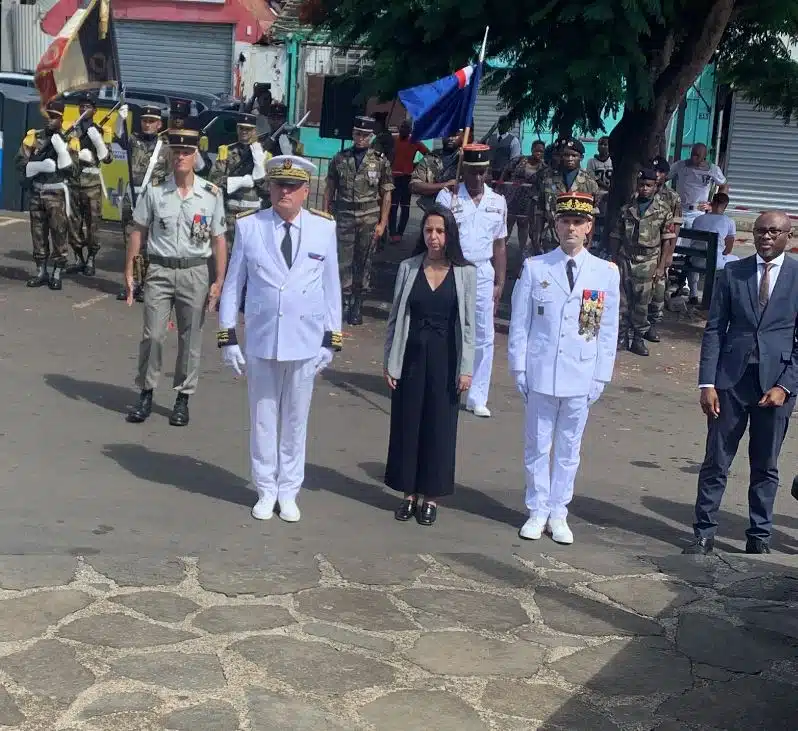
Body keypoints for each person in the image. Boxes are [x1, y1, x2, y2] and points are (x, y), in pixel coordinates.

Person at [218, 155, 342, 523]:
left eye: (292, 186)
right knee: (263, 416)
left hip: (304, 338)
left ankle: (289, 490)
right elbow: (233, 284)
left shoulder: (323, 229)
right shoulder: (250, 226)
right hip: (262, 336)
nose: (284, 192)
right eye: (278, 185)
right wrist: (228, 337)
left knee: (296, 418)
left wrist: (330, 339)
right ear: (269, 187)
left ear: (306, 191)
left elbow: (331, 285)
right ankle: (265, 488)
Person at [509, 191, 620, 544]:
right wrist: (519, 367)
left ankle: (559, 512)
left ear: (589, 226)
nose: (571, 228)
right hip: (541, 370)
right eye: (565, 221)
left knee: (569, 448)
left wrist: (601, 374)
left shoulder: (604, 273)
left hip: (581, 373)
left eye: (578, 222)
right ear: (555, 225)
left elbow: (606, 328)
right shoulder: (535, 267)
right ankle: (537, 509)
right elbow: (520, 323)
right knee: (538, 445)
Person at [685, 211, 798, 556]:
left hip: (775, 386)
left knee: (765, 465)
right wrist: (707, 383)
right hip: (730, 382)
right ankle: (703, 532)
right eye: (761, 230)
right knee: (716, 461)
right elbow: (715, 330)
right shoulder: (733, 272)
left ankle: (759, 535)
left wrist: (786, 385)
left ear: (787, 237)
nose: (766, 236)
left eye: (774, 232)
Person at [124, 129, 227, 427]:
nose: (181, 156)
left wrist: (219, 281)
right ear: (170, 155)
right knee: (153, 335)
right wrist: (129, 269)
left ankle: (183, 397)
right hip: (159, 270)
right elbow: (138, 230)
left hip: (195, 271)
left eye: (187, 152)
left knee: (190, 338)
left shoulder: (210, 194)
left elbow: (219, 239)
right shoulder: (155, 191)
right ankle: (145, 392)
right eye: (176, 151)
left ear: (196, 156)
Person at [384, 204, 476, 526]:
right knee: (408, 423)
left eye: (439, 231)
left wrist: (467, 368)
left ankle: (430, 497)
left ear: (449, 234)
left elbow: (468, 326)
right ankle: (408, 493)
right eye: (428, 230)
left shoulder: (465, 272)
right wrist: (389, 363)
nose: (433, 237)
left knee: (439, 426)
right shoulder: (409, 267)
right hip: (411, 356)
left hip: (446, 358)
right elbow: (395, 319)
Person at [436, 143, 507, 418]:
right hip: (453, 267)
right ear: (463, 170)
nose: (477, 178)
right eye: (472, 172)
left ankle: (477, 396)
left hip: (482, 271)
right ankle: (446, 386)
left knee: (484, 335)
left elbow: (500, 244)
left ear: (487, 171)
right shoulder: (449, 198)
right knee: (447, 327)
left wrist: (500, 282)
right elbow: (437, 237)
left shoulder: (497, 202)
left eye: (482, 172)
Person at [324, 115, 394, 326]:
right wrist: (325, 214)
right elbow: (329, 189)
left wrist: (382, 223)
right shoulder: (339, 159)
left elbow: (387, 194)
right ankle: (343, 302)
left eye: (365, 135)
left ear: (371, 137)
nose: (360, 138)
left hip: (369, 217)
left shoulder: (380, 161)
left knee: (364, 262)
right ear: (353, 134)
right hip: (344, 215)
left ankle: (357, 303)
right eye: (357, 134)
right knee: (342, 262)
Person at [611, 168, 677, 356]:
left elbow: (667, 239)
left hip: (648, 260)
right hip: (626, 258)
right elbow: (616, 235)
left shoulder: (663, 210)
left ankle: (638, 339)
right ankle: (622, 336)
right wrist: (614, 259)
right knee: (622, 300)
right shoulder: (627, 209)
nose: (644, 188)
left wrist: (661, 265)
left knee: (642, 302)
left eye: (649, 185)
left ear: (656, 187)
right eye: (641, 185)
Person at [16, 99, 75, 291]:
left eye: (55, 118)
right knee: (38, 233)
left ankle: (57, 271)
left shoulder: (70, 139)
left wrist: (62, 152)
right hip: (37, 191)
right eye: (48, 117)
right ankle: (41, 270)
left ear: (61, 119)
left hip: (56, 193)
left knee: (59, 233)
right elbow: (20, 162)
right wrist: (37, 165)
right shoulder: (34, 137)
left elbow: (74, 171)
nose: (50, 121)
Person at [114, 103, 168, 302]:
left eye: (151, 121)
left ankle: (148, 285)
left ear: (159, 124)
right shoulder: (133, 140)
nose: (147, 125)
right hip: (132, 196)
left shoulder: (166, 147)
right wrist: (121, 119)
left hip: (154, 198)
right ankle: (131, 283)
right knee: (131, 243)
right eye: (145, 121)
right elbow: (118, 137)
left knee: (151, 244)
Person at [668, 143, 729, 303]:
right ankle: (675, 282)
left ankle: (690, 288)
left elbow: (723, 185)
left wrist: (713, 205)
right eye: (693, 154)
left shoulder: (712, 169)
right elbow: (664, 178)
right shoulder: (681, 165)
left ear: (704, 156)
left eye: (698, 155)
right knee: (675, 248)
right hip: (680, 210)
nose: (694, 158)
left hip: (698, 212)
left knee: (694, 250)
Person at [208, 112, 270, 254]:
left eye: (248, 129)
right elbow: (214, 179)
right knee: (228, 254)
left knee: (252, 253)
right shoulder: (226, 151)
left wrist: (259, 175)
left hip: (255, 213)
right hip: (231, 214)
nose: (244, 132)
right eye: (241, 128)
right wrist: (239, 181)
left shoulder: (264, 155)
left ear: (254, 131)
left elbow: (269, 188)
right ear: (237, 129)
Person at [65, 92, 112, 277]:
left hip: (92, 185)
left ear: (95, 110)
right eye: (81, 106)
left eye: (88, 106)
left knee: (93, 225)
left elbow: (108, 159)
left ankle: (91, 258)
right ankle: (78, 258)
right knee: (73, 224)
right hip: (74, 183)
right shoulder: (71, 129)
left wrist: (98, 142)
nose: (84, 109)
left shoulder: (101, 130)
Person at [531, 137, 601, 255]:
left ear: (581, 157)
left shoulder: (589, 183)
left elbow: (592, 215)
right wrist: (536, 236)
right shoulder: (548, 179)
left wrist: (589, 242)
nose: (570, 159)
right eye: (566, 155)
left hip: (577, 239)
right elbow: (540, 211)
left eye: (574, 156)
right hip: (552, 238)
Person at [646, 155, 683, 342]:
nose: (657, 175)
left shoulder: (672, 197)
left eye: (661, 172)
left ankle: (652, 324)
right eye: (655, 171)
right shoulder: (642, 191)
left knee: (658, 289)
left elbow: (675, 227)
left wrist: (669, 254)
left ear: (667, 175)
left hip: (662, 248)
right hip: (643, 249)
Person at [498, 139, 546, 252]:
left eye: (541, 152)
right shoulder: (520, 160)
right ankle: (501, 249)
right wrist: (500, 186)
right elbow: (506, 171)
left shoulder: (543, 167)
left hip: (528, 200)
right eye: (537, 150)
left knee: (523, 224)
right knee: (508, 222)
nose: (539, 153)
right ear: (532, 150)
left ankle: (522, 250)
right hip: (512, 196)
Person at [389, 120, 429, 242]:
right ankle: (392, 233)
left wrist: (416, 165)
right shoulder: (393, 139)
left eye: (407, 128)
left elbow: (428, 154)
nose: (404, 130)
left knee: (405, 206)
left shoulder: (414, 141)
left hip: (407, 177)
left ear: (410, 130)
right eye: (402, 127)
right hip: (394, 177)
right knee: (393, 206)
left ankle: (399, 234)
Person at [409, 131, 462, 212]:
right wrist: (445, 185)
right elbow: (415, 186)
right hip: (434, 212)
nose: (451, 138)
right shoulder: (432, 158)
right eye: (448, 135)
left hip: (460, 210)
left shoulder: (465, 157)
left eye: (455, 135)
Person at [690, 192, 738, 272]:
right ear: (725, 206)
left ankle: (693, 284)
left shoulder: (698, 219)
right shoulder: (729, 222)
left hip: (696, 261)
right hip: (715, 262)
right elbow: (728, 250)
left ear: (712, 203)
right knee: (736, 260)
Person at [487, 116, 521, 182]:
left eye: (507, 125)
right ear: (498, 125)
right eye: (502, 124)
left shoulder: (514, 140)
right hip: (489, 174)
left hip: (504, 175)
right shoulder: (490, 138)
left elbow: (514, 159)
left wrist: (507, 173)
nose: (504, 126)